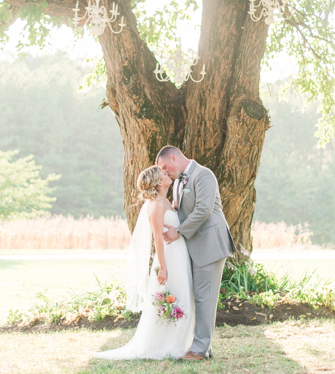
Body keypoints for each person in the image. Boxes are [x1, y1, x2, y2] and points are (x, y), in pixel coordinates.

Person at [93, 166, 195, 360]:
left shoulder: (165, 201)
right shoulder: (155, 205)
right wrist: (163, 269)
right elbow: (157, 238)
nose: (168, 174)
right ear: (158, 181)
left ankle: (178, 344)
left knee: (183, 299)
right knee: (173, 300)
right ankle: (165, 347)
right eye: (164, 174)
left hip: (179, 254)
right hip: (169, 257)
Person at [157, 146, 236, 361]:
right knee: (198, 297)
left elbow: (204, 209)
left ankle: (200, 350)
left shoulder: (204, 175)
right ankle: (203, 346)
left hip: (209, 244)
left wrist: (178, 231)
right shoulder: (179, 183)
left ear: (174, 157)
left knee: (205, 298)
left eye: (165, 166)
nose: (165, 172)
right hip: (194, 246)